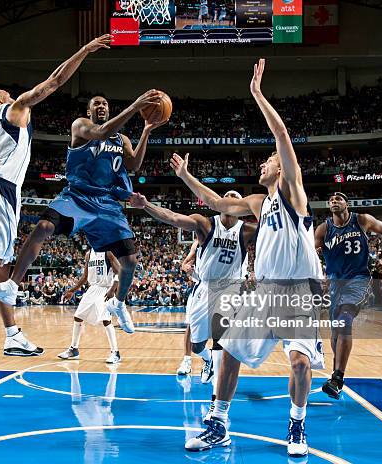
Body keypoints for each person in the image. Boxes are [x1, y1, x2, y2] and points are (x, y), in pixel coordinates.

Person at [174, 59, 324, 457]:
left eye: (268, 161)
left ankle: (296, 425)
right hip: (264, 292)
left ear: (281, 168)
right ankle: (217, 423)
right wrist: (187, 177)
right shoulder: (257, 203)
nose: (263, 163)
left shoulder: (292, 192)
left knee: (298, 364)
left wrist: (257, 94)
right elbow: (214, 202)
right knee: (229, 351)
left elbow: (281, 134)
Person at [0, 34, 112, 369]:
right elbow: (55, 80)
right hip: (0, 189)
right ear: (4, 100)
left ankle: (12, 335)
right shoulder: (14, 109)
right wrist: (85, 50)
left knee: (3, 268)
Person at [0, 91, 168, 334]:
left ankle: (119, 303)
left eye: (105, 103)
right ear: (89, 111)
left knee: (130, 261)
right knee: (43, 227)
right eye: (97, 103)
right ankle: (12, 285)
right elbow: (101, 132)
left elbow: (134, 165)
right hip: (78, 196)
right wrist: (135, 105)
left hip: (107, 203)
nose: (102, 106)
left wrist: (146, 130)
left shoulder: (122, 139)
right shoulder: (80, 125)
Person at [129, 190, 255, 422]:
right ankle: (205, 360)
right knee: (197, 346)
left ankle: (217, 403)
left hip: (230, 291)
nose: (229, 198)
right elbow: (172, 217)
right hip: (203, 288)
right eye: (225, 195)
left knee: (222, 344)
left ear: (240, 205)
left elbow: (277, 234)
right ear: (220, 202)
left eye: (235, 197)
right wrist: (146, 204)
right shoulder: (204, 224)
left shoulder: (247, 230)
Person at [315, 192, 382, 399]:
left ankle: (338, 377)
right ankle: (335, 376)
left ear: (347, 204)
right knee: (335, 334)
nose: (334, 201)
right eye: (331, 199)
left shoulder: (362, 220)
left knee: (344, 321)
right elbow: (310, 252)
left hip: (358, 279)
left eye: (339, 198)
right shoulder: (323, 229)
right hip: (334, 284)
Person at [57, 248, 121, 364]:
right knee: (77, 316)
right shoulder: (89, 254)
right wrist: (72, 290)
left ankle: (115, 352)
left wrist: (112, 289)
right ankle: (74, 349)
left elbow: (119, 272)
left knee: (106, 320)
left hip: (105, 289)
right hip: (92, 288)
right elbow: (85, 277)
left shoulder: (108, 252)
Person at [177, 240, 199, 376]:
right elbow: (185, 264)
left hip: (222, 288)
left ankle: (214, 360)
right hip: (201, 287)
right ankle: (186, 361)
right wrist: (186, 267)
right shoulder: (197, 243)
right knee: (190, 326)